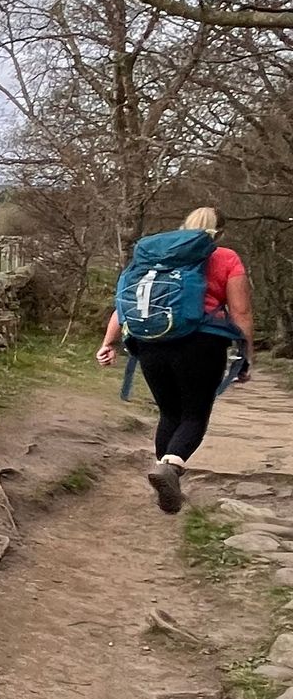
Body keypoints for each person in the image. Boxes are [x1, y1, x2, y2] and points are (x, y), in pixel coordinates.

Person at [97, 207, 253, 512]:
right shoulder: (224, 257)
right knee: (194, 414)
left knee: (169, 413)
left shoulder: (154, 257)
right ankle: (171, 468)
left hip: (151, 342)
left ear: (183, 226)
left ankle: (164, 476)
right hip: (201, 343)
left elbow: (124, 304)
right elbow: (241, 312)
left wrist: (108, 343)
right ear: (220, 232)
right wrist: (246, 356)